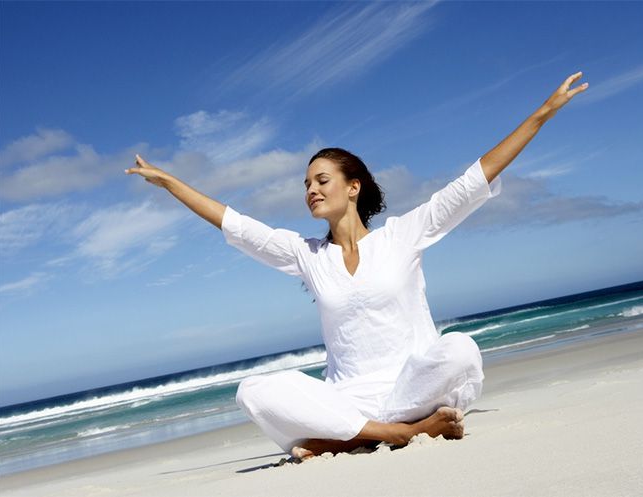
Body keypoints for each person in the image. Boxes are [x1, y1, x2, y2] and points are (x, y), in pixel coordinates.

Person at [125, 72, 588, 460]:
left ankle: (353, 438)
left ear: (353, 187)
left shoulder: (403, 235)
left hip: (412, 387)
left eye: (321, 180)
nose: (310, 189)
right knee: (253, 391)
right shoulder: (307, 255)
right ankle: (397, 433)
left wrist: (542, 114)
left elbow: (472, 182)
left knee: (460, 350)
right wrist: (170, 183)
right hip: (347, 401)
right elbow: (238, 226)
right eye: (306, 184)